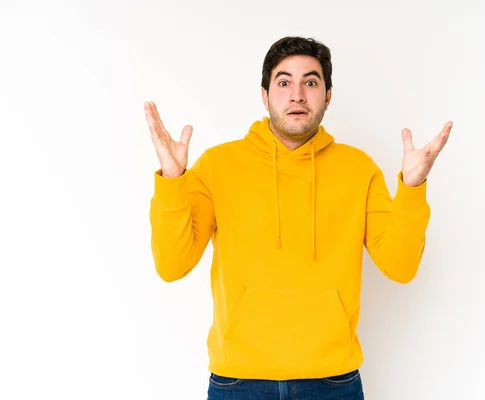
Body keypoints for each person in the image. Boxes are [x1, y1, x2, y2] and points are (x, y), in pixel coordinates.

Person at [145, 36, 452, 400]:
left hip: (333, 381)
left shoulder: (358, 169)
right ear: (265, 95)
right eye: (284, 82)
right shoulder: (217, 166)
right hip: (238, 382)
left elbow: (401, 267)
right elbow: (171, 265)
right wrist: (172, 182)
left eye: (310, 82)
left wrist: (413, 188)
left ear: (328, 95)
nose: (297, 95)